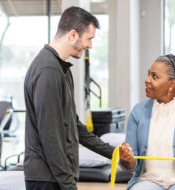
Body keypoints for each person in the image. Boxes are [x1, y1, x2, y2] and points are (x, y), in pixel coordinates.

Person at [23, 6, 114, 190]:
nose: (90, 46)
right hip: (46, 178)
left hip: (55, 177)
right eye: (89, 38)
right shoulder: (48, 71)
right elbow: (50, 137)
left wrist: (113, 152)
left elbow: (74, 126)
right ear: (73, 35)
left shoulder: (61, 69)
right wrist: (68, 185)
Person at [118, 55, 175, 190]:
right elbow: (132, 166)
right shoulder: (138, 111)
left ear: (172, 84)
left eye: (154, 76)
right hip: (147, 180)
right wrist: (127, 158)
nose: (147, 80)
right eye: (148, 74)